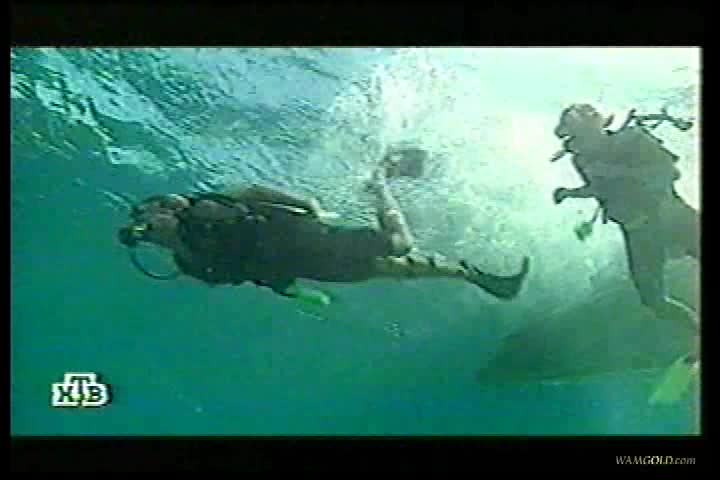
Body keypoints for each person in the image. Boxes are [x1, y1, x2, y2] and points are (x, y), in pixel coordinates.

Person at [118, 148, 531, 305]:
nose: (149, 227)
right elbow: (238, 276)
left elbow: (253, 191)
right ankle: (481, 278)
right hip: (304, 266)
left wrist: (307, 205)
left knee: (398, 245)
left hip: (303, 236)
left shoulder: (205, 209)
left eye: (150, 218)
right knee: (391, 268)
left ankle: (379, 182)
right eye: (145, 229)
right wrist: (295, 292)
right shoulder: (187, 262)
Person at [550, 103, 699, 334]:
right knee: (653, 300)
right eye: (572, 138)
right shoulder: (581, 160)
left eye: (580, 135)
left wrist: (619, 172)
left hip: (672, 215)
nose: (576, 144)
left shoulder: (633, 139)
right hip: (637, 231)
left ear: (596, 127)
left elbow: (670, 172)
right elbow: (600, 189)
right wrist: (571, 193)